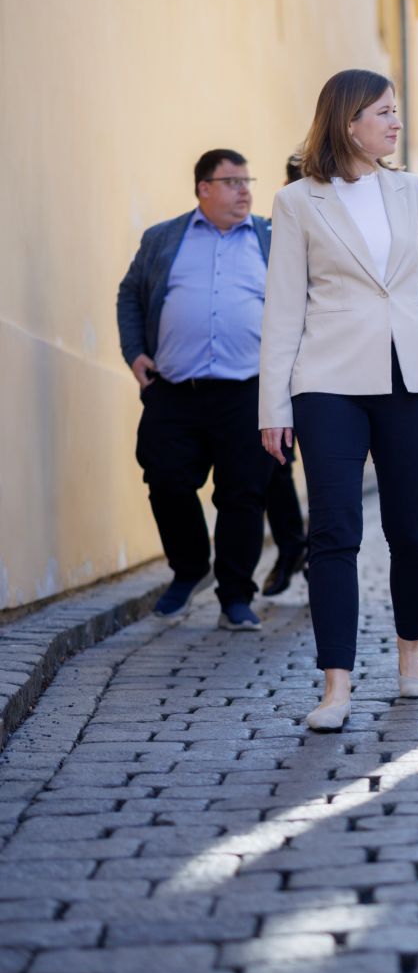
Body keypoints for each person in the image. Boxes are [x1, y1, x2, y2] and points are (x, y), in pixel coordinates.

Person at [259, 69, 418, 731]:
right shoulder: (298, 201)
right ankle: (336, 685)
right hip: (327, 381)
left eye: (396, 113)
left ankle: (410, 656)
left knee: (410, 530)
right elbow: (282, 309)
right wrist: (273, 407)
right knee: (333, 530)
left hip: (412, 379)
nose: (395, 123)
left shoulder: (410, 191)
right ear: (348, 121)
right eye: (383, 113)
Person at [117, 148, 274, 630]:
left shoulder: (275, 238)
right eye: (231, 181)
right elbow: (130, 292)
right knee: (165, 478)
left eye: (247, 180)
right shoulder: (164, 237)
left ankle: (235, 596)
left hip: (248, 389)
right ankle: (189, 570)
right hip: (174, 387)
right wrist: (135, 350)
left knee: (243, 494)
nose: (244, 190)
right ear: (203, 188)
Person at [261, 151, 311, 596]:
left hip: (322, 372)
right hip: (279, 372)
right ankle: (295, 546)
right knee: (275, 465)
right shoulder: (268, 235)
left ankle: (316, 549)